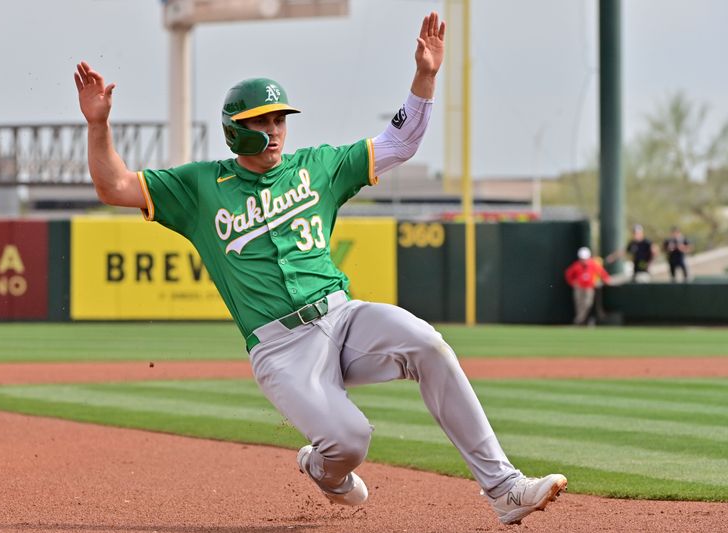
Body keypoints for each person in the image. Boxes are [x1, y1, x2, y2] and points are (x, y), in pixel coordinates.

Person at [74, 12, 565, 526]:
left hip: (343, 316)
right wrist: (99, 125)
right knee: (351, 442)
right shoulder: (199, 186)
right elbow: (115, 186)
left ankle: (505, 488)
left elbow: (400, 144)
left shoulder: (318, 166)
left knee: (429, 344)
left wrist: (425, 78)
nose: (274, 130)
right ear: (234, 131)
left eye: (279, 119)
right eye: (261, 122)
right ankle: (323, 470)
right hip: (282, 348)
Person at [565, 246, 612, 325]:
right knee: (579, 304)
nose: (584, 261)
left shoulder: (593, 264)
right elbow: (568, 274)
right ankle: (580, 320)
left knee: (588, 303)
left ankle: (580, 319)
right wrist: (572, 282)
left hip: (589, 287)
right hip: (579, 287)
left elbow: (602, 272)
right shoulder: (576, 265)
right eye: (582, 259)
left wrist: (606, 280)